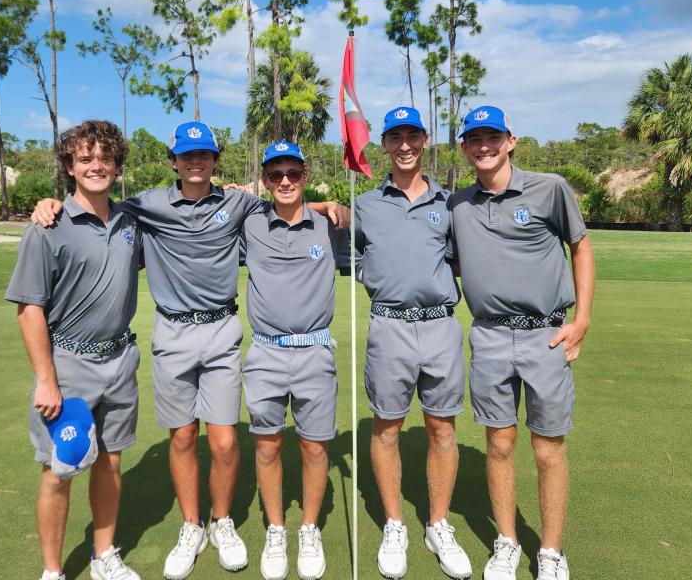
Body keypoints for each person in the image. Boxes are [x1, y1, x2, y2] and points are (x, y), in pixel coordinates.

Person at [31, 121, 347, 580]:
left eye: (204, 154)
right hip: (172, 333)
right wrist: (51, 203)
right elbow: (98, 207)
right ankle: (191, 525)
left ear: (216, 160)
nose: (196, 162)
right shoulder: (146, 206)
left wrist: (324, 203)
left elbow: (286, 200)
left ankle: (221, 522)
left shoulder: (238, 202)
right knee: (181, 437)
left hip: (221, 330)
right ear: (173, 160)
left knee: (221, 441)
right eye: (187, 155)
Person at [451, 106, 594, 580]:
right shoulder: (458, 204)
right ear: (465, 147)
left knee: (548, 448)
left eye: (492, 137)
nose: (483, 146)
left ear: (510, 140)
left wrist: (583, 319)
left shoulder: (548, 187)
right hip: (489, 335)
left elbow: (581, 246)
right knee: (499, 443)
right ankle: (507, 542)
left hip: (545, 335)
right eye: (474, 139)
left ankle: (551, 552)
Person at [6, 120, 143, 580]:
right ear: (69, 167)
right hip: (69, 366)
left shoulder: (129, 221)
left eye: (105, 158)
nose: (96, 166)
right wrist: (46, 378)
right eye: (85, 158)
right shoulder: (49, 226)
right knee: (59, 470)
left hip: (121, 360)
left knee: (111, 461)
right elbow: (29, 309)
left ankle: (104, 556)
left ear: (118, 165)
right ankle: (52, 571)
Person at [353, 106, 472, 580]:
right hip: (389, 326)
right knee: (386, 428)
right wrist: (370, 272)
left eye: (412, 136)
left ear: (425, 141)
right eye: (394, 136)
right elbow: (354, 251)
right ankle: (395, 524)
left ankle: (438, 524)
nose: (404, 144)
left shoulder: (451, 203)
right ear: (383, 144)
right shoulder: (364, 202)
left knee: (442, 429)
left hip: (440, 325)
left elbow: (462, 258)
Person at [240, 141, 350, 580]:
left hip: (315, 351)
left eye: (293, 174)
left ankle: (309, 529)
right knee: (267, 445)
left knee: (314, 445)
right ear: (265, 180)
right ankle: (276, 528)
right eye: (275, 174)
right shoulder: (249, 223)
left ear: (305, 175)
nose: (284, 181)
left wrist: (332, 203)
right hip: (265, 350)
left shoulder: (332, 225)